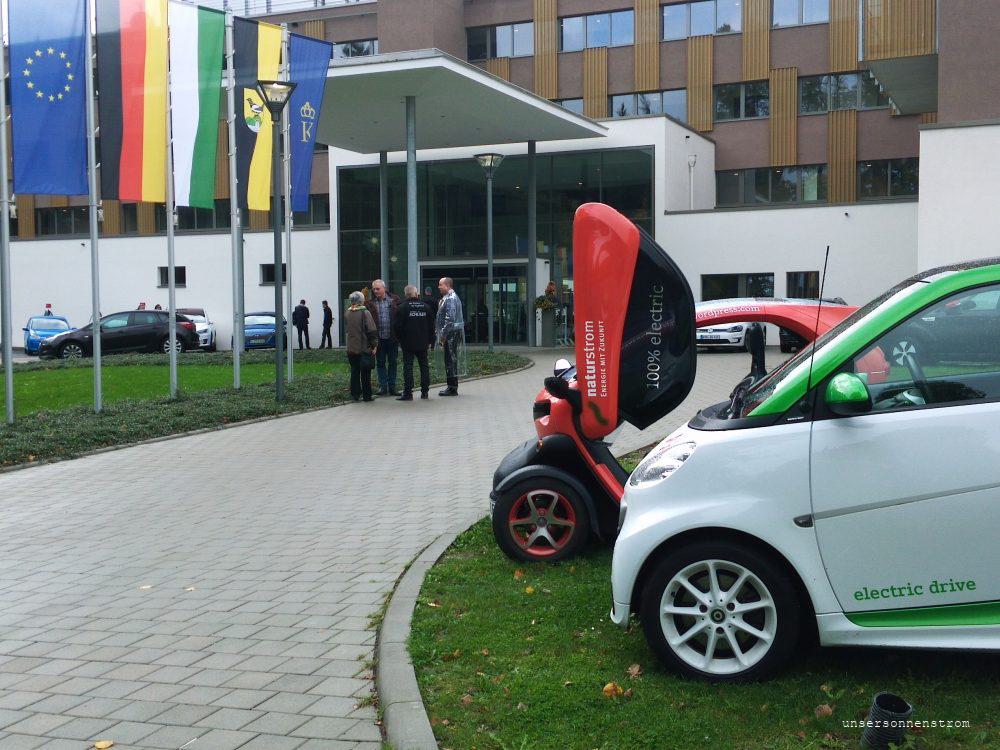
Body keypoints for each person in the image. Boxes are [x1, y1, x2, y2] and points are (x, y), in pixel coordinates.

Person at [393, 285, 436, 401]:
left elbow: (397, 326)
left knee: (408, 366)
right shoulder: (426, 307)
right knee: (424, 366)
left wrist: (400, 339)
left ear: (406, 294)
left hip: (407, 342)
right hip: (423, 342)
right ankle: (425, 392)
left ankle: (408, 393)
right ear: (416, 294)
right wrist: (431, 341)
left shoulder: (402, 308)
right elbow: (432, 326)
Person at [365, 279, 399, 396]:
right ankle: (383, 387)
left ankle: (392, 387)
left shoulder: (394, 300)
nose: (375, 291)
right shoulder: (370, 303)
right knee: (380, 363)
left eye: (378, 289)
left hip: (392, 338)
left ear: (384, 288)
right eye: (374, 289)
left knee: (393, 362)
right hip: (378, 339)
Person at [345, 292, 377, 402]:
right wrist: (374, 345)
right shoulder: (365, 312)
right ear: (361, 301)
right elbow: (371, 330)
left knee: (354, 371)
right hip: (363, 347)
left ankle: (355, 394)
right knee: (365, 372)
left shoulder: (348, 313)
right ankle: (367, 396)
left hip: (351, 348)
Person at [436, 277, 465, 397]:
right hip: (452, 332)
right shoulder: (450, 297)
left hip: (451, 333)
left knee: (450, 359)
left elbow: (450, 318)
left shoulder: (450, 299)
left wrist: (443, 335)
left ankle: (452, 387)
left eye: (440, 285)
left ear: (447, 286)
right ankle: (451, 386)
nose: (438, 287)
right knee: (450, 359)